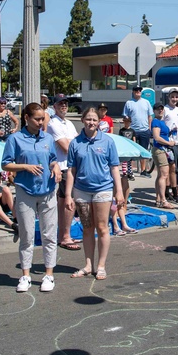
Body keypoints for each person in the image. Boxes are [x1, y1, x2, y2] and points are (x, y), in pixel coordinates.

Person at [3, 102, 61, 293]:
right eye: (37, 119)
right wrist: (25, 167)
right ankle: (25, 275)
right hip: (25, 190)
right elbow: (6, 164)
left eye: (42, 118)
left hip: (48, 190)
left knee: (49, 234)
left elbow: (52, 158)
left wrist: (56, 167)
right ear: (26, 118)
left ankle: (49, 275)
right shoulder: (15, 139)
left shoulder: (48, 138)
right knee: (27, 235)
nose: (40, 122)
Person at [65, 106, 124, 280]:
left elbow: (114, 168)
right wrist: (68, 195)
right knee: (87, 228)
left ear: (99, 122)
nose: (91, 122)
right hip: (82, 190)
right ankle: (88, 265)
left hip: (103, 190)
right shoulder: (75, 143)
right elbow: (71, 171)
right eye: (88, 119)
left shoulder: (107, 141)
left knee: (102, 227)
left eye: (94, 120)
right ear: (82, 120)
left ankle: (101, 266)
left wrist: (118, 191)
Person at [47, 94, 80, 250]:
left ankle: (62, 235)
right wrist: (74, 144)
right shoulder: (53, 124)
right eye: (61, 103)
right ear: (54, 106)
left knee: (62, 203)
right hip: (64, 167)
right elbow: (67, 147)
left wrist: (74, 144)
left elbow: (76, 143)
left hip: (70, 166)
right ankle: (65, 236)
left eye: (66, 103)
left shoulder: (68, 123)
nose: (64, 106)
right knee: (69, 202)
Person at [150, 103, 176, 209]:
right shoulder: (156, 121)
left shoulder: (161, 122)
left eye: (161, 109)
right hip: (160, 149)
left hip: (162, 149)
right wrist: (169, 143)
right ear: (154, 111)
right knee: (164, 175)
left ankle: (158, 199)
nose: (160, 111)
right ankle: (163, 201)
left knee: (160, 175)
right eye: (157, 109)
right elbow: (156, 137)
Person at [123, 86, 154, 173]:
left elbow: (150, 116)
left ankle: (143, 169)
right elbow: (126, 116)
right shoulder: (129, 103)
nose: (138, 92)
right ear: (133, 92)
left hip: (144, 130)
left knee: (143, 150)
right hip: (132, 130)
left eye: (139, 90)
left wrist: (149, 128)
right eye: (136, 90)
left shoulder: (146, 102)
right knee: (131, 150)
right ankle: (130, 170)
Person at [162, 89, 178, 203]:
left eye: (176, 97)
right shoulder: (165, 109)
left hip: (177, 142)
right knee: (169, 168)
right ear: (168, 97)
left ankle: (174, 192)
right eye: (172, 96)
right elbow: (161, 125)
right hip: (168, 142)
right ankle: (168, 193)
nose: (174, 99)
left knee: (175, 168)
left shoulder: (177, 110)